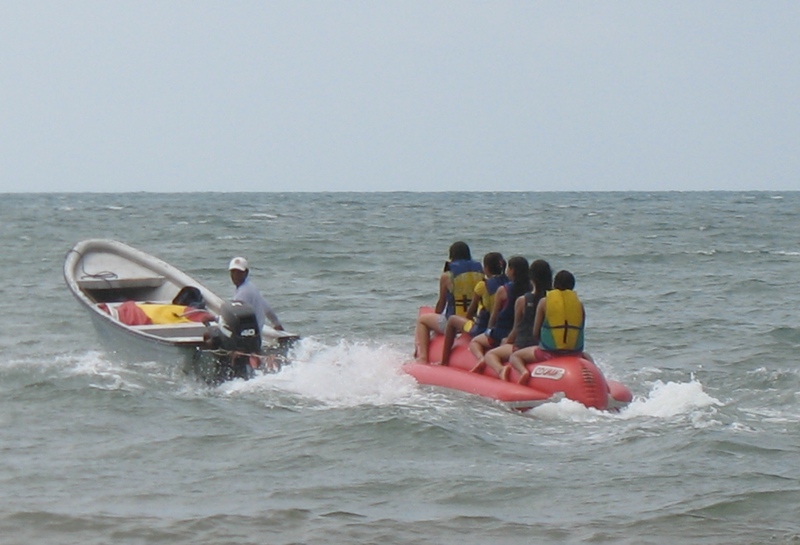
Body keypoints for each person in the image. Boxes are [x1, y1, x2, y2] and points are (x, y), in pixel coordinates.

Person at [481, 259, 552, 382]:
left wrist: (507, 341)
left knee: (490, 354)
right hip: (546, 346)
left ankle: (500, 370)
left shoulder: (522, 300)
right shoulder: (552, 300)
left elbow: (516, 329)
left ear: (532, 277)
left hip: (523, 346)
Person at [509, 269, 591, 372]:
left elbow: (535, 332)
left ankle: (524, 372)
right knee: (588, 357)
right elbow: (580, 329)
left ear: (554, 284)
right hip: (574, 353)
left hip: (549, 353)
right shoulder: (579, 305)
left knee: (515, 357)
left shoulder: (544, 302)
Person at [414, 242, 483, 363]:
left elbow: (442, 303)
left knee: (422, 321)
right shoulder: (481, 273)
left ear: (452, 256)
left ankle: (423, 357)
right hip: (475, 322)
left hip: (454, 325)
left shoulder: (447, 276)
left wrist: (436, 316)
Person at [439, 252, 507, 366]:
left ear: (486, 269)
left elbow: (470, 312)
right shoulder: (509, 285)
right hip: (506, 329)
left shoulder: (482, 286)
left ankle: (444, 361)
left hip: (483, 330)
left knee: (452, 320)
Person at [467, 256, 531, 367]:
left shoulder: (503, 290)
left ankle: (481, 358)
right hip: (521, 334)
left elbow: (494, 316)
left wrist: (489, 330)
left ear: (512, 271)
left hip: (502, 332)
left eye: (508, 269)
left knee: (475, 341)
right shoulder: (531, 289)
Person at [228, 256, 284, 332]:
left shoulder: (244, 292)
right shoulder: (251, 286)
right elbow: (267, 308)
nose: (235, 275)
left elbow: (234, 317)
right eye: (233, 271)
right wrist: (277, 324)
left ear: (246, 273)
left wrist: (214, 318)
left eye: (239, 272)